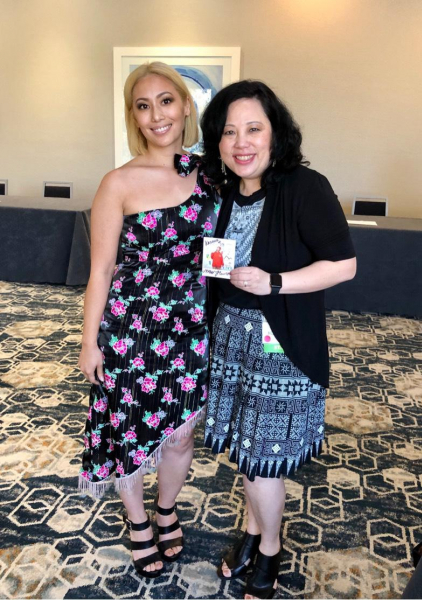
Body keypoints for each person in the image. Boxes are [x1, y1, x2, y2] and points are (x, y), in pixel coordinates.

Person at [200, 80, 357, 599]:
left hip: (280, 343)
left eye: (254, 129)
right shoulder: (224, 193)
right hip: (230, 341)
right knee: (246, 452)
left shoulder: (304, 186)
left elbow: (345, 265)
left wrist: (275, 282)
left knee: (261, 460)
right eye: (229, 132)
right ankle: (253, 531)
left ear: (276, 134)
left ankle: (270, 547)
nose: (241, 142)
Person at [78, 62, 219, 579]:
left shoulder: (211, 175)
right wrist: (88, 342)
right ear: (133, 117)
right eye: (143, 105)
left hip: (191, 325)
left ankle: (166, 508)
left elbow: (228, 248)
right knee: (129, 430)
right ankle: (138, 520)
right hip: (131, 328)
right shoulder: (118, 182)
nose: (157, 115)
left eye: (166, 101)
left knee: (180, 434)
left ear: (185, 107)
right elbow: (100, 270)